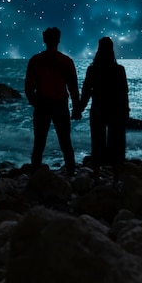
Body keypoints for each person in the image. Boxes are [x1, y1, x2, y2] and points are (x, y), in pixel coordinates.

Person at [25, 27, 81, 175]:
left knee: (39, 143)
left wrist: (35, 102)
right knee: (65, 142)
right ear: (58, 40)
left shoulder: (35, 60)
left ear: (44, 40)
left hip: (42, 104)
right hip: (60, 104)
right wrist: (77, 108)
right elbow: (73, 88)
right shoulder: (66, 61)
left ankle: (35, 174)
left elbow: (29, 88)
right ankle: (71, 173)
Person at [80, 37, 129, 180]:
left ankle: (96, 175)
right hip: (116, 110)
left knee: (97, 142)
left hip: (98, 109)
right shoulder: (119, 70)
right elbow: (124, 92)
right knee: (117, 143)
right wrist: (126, 111)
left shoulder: (93, 69)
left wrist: (79, 109)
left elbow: (86, 91)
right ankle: (116, 178)